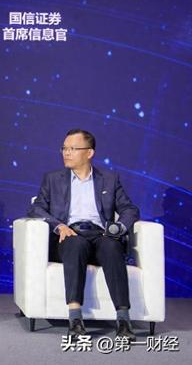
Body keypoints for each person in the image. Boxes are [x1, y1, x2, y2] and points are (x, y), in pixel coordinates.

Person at [28, 129, 139, 340]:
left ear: (89, 153)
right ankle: (75, 319)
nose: (66, 153)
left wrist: (118, 228)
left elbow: (130, 209)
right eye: (64, 148)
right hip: (70, 234)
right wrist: (59, 226)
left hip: (100, 234)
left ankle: (124, 320)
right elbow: (36, 208)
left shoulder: (109, 179)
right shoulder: (52, 179)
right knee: (74, 244)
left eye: (72, 148)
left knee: (112, 246)